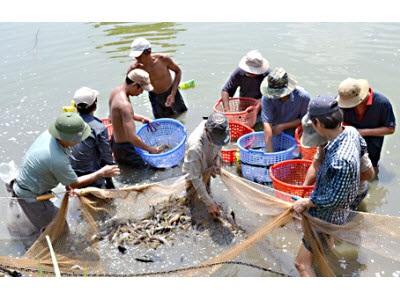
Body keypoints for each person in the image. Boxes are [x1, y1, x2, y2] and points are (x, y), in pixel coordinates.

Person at [6, 112, 120, 247]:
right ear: (68, 138)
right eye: (78, 137)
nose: (80, 140)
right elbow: (74, 183)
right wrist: (100, 173)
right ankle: (48, 249)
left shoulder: (50, 135)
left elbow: (68, 183)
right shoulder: (56, 158)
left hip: (29, 183)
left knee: (46, 225)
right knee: (60, 228)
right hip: (31, 197)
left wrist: (70, 184)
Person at [292, 96, 366, 276]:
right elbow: (363, 150)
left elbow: (335, 199)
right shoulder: (350, 132)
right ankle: (328, 261)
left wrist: (307, 202)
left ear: (317, 123)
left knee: (301, 264)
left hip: (327, 215)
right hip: (337, 213)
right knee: (324, 247)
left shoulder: (341, 160)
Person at [301, 114, 375, 210]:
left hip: (352, 194)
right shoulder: (324, 140)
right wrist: (303, 189)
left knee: (344, 219)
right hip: (331, 192)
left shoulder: (345, 155)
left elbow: (370, 175)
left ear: (321, 127)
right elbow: (316, 163)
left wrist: (337, 179)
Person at [336, 78, 396, 175]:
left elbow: (390, 129)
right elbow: (337, 122)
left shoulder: (382, 103)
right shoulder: (344, 99)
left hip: (373, 143)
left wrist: (362, 132)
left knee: (372, 167)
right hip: (349, 141)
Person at [109, 69, 162, 168]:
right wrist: (151, 149)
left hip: (115, 143)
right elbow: (132, 137)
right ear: (134, 85)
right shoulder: (125, 105)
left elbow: (114, 117)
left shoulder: (116, 92)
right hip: (125, 148)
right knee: (147, 172)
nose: (141, 93)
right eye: (141, 89)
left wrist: (140, 118)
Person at [182, 112, 230, 218]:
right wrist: (210, 203)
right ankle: (192, 208)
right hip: (194, 168)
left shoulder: (218, 128)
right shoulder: (195, 148)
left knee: (207, 187)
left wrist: (217, 161)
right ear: (207, 131)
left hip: (207, 162)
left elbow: (218, 146)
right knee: (191, 192)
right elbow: (194, 177)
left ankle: (206, 197)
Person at [127, 37, 187, 119]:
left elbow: (178, 71)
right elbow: (126, 88)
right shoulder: (135, 68)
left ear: (148, 52)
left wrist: (172, 94)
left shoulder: (163, 59)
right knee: (161, 121)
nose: (137, 59)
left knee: (182, 115)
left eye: (139, 56)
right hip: (155, 97)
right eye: (135, 57)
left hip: (172, 92)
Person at [70, 87, 115, 188]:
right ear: (95, 105)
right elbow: (106, 158)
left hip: (72, 175)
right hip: (92, 176)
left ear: (76, 107)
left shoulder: (69, 123)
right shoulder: (98, 127)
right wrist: (110, 184)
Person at [260, 67, 310, 152]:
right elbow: (267, 124)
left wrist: (282, 126)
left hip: (294, 130)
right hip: (274, 129)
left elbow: (304, 119)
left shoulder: (303, 97)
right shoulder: (267, 98)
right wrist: (269, 151)